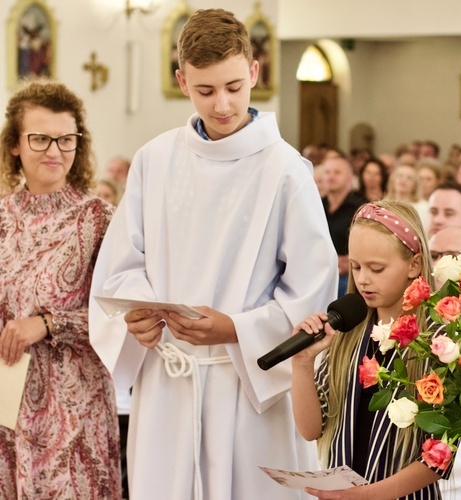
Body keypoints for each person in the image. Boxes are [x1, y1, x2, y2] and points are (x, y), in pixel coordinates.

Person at [89, 9, 336, 499]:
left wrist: (235, 329)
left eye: (233, 86)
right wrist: (136, 316)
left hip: (249, 385)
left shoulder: (286, 170)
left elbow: (313, 291)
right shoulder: (154, 160)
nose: (222, 104)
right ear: (182, 81)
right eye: (205, 90)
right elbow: (118, 270)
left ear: (254, 73)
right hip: (170, 380)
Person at [0, 80, 120, 498]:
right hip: (6, 400)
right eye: (40, 138)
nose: (54, 150)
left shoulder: (100, 219)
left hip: (75, 407)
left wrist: (50, 323)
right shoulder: (0, 216)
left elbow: (125, 314)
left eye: (66, 139)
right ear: (15, 144)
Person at [291, 200, 451, 499]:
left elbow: (440, 455)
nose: (363, 278)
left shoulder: (439, 341)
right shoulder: (347, 334)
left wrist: (369, 495)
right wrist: (301, 364)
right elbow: (311, 429)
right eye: (355, 266)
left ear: (414, 265)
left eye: (376, 268)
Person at [324, 155, 367, 297]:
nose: (330, 177)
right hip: (320, 267)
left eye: (337, 172)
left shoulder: (361, 206)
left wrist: (350, 261)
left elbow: (368, 243)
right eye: (327, 172)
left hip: (349, 270)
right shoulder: (316, 204)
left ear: (350, 177)